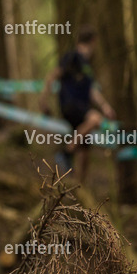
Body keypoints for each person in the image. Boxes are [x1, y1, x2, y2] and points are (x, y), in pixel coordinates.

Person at [40, 25, 116, 183]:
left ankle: (79, 188)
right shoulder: (72, 57)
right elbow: (52, 76)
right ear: (93, 41)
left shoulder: (87, 65)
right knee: (96, 119)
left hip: (83, 107)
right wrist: (43, 100)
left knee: (85, 152)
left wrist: (105, 106)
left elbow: (91, 91)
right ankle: (66, 152)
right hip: (71, 105)